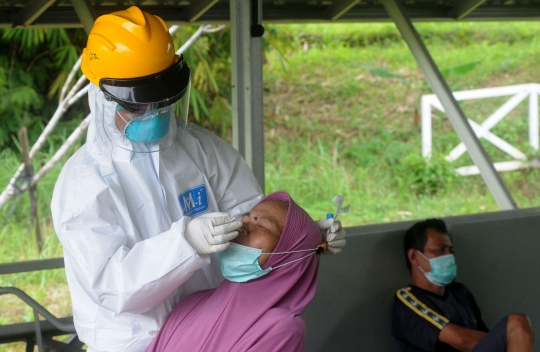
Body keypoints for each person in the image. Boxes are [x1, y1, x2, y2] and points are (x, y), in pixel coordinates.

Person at [50, 6, 346, 351]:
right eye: (139, 105)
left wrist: (302, 237)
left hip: (214, 321)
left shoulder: (200, 148)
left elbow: (252, 220)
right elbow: (111, 286)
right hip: (133, 342)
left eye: (162, 102)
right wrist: (184, 243)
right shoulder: (85, 183)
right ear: (102, 98)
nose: (156, 114)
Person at [146, 190, 323, 352]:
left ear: (292, 256)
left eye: (262, 226)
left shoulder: (282, 329)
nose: (241, 228)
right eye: (245, 220)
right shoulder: (190, 304)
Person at [391, 219, 533, 352]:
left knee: (517, 327)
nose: (449, 257)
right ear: (414, 257)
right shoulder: (408, 300)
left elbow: (485, 338)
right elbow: (461, 339)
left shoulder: (459, 292)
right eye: (440, 250)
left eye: (450, 251)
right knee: (517, 324)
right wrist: (512, 339)